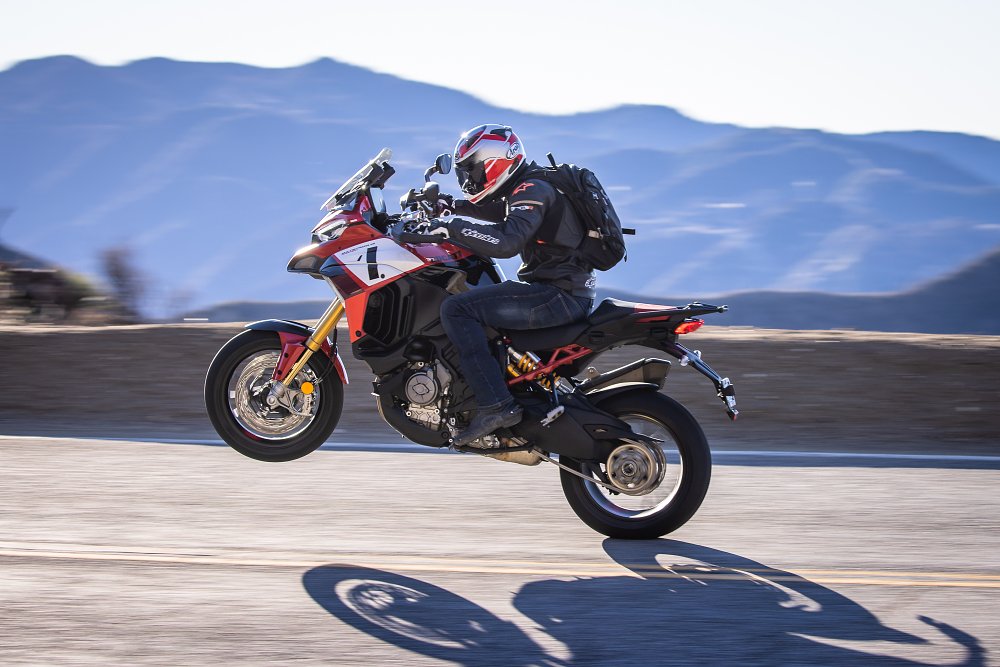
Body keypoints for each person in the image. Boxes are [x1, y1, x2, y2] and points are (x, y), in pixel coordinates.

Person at [421, 124, 597, 447]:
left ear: (496, 163)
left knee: (457, 309)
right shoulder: (529, 185)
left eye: (472, 172)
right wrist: (453, 207)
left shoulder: (532, 188)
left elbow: (507, 241)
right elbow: (502, 212)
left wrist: (450, 227)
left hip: (556, 295)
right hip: (563, 291)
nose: (468, 181)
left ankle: (496, 405)